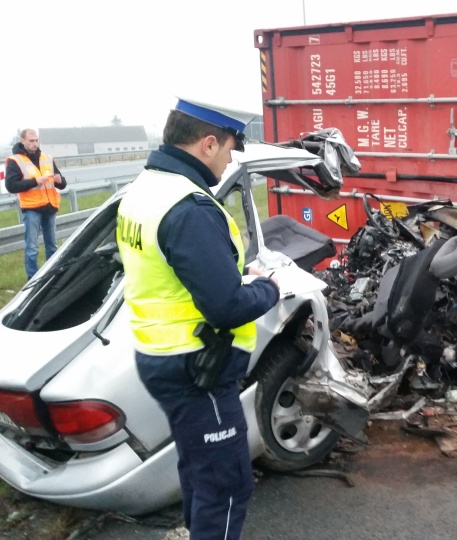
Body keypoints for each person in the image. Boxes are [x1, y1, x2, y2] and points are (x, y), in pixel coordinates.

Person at [116, 98, 279, 539]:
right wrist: (269, 285)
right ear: (208, 143)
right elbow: (226, 306)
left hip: (161, 354)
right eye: (228, 150)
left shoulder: (145, 189)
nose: (228, 162)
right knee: (225, 487)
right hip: (197, 368)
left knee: (198, 467)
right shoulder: (189, 208)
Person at [4, 128, 67, 279]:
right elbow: (11, 186)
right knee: (32, 247)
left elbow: (61, 182)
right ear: (23, 141)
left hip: (49, 206)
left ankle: (52, 276)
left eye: (36, 140)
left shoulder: (46, 157)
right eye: (31, 141)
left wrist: (60, 181)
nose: (34, 143)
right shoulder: (15, 160)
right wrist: (35, 181)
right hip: (32, 208)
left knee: (52, 245)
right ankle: (32, 279)